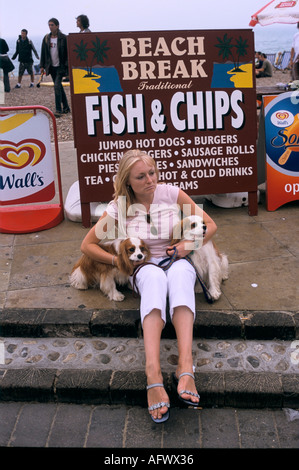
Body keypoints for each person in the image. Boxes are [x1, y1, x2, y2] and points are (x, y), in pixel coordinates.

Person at [80, 149, 218, 423]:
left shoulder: (171, 193)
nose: (150, 180)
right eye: (141, 176)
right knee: (153, 278)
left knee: (180, 276)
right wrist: (119, 262)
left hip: (176, 258)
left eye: (152, 173)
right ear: (127, 181)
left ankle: (185, 365)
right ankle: (152, 372)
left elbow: (210, 226)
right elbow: (87, 246)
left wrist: (185, 247)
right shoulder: (119, 207)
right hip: (143, 267)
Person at [40, 18, 70, 117]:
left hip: (60, 67)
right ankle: (66, 107)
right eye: (49, 25)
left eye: (52, 25)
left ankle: (58, 110)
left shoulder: (63, 38)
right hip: (51, 66)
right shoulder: (46, 38)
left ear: (57, 26)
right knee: (59, 87)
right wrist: (42, 66)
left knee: (57, 86)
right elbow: (43, 53)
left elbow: (67, 53)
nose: (50, 26)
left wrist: (66, 65)